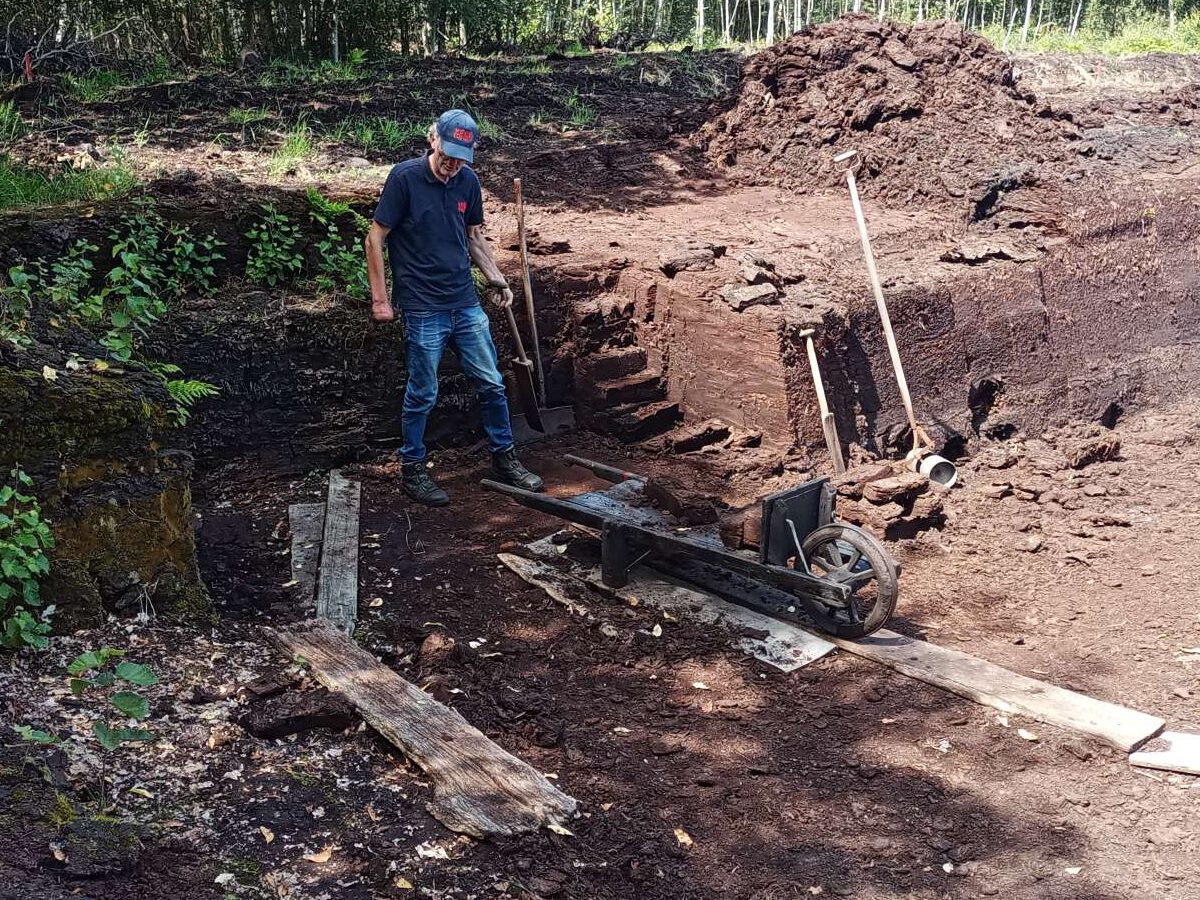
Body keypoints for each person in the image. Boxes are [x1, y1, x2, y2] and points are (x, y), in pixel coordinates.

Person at [365, 109, 545, 507]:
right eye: (448, 153)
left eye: (461, 156)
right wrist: (380, 299)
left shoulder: (468, 181)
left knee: (493, 383)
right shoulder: (405, 178)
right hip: (422, 305)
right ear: (433, 139)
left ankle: (504, 458)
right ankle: (412, 470)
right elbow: (374, 238)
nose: (453, 163)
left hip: (464, 302)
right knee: (423, 392)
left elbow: (474, 238)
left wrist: (496, 278)